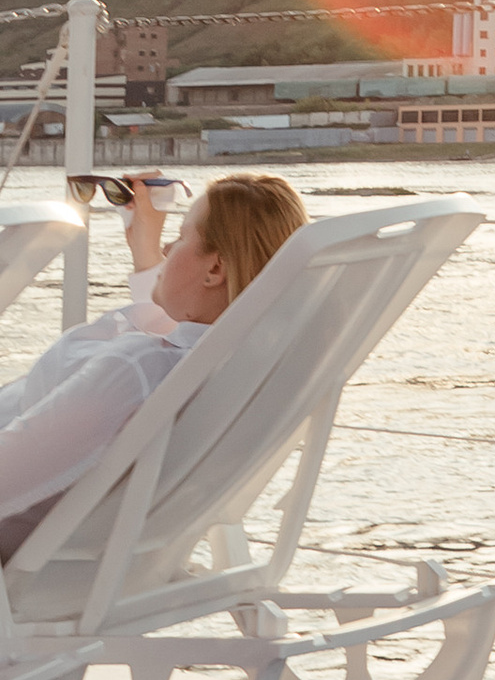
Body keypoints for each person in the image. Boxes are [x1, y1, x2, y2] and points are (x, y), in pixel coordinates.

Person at [0, 172, 309, 558]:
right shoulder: (232, 369)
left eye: (180, 237)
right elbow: (179, 324)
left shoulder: (135, 369)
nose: (166, 248)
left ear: (215, 270)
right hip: (114, 555)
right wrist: (143, 243)